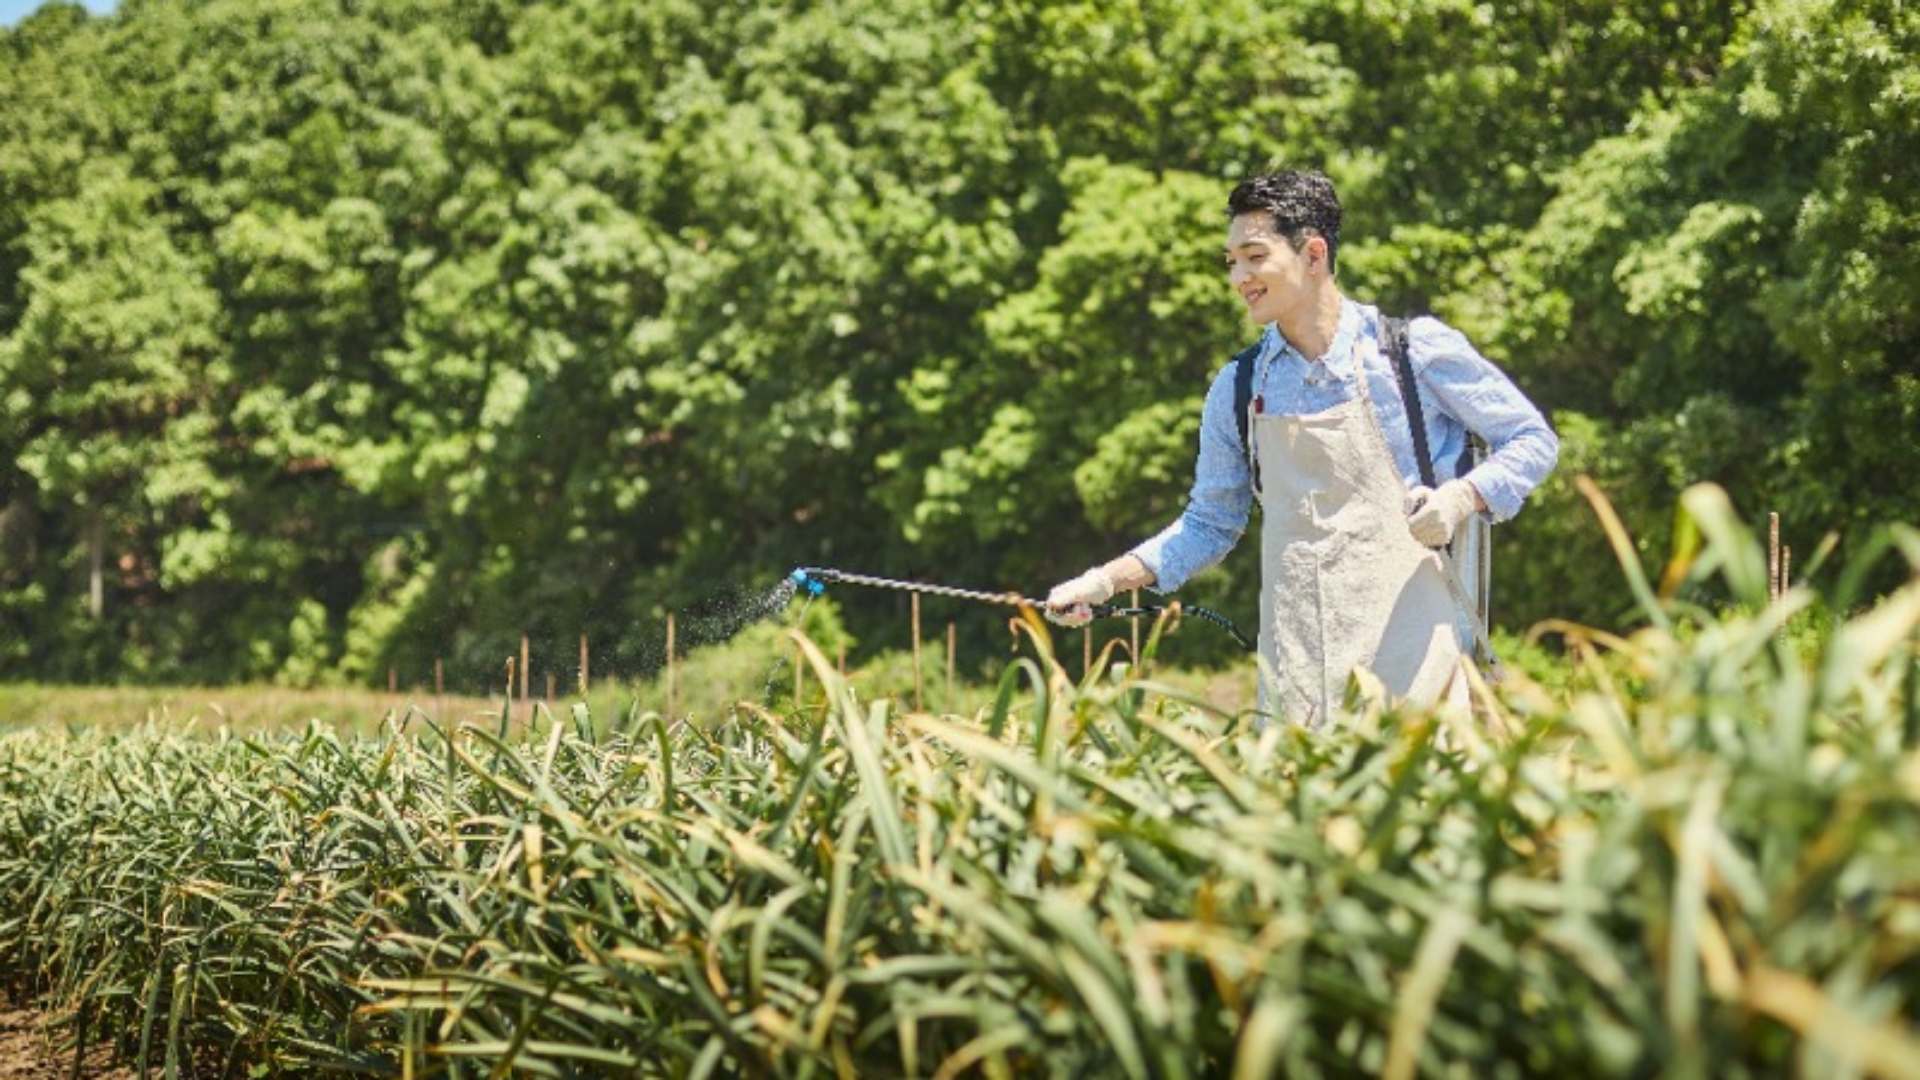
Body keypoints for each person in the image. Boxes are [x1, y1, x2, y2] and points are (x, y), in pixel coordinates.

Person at [1044, 169, 1558, 726]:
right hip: (1298, 680)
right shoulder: (1239, 387)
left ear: (1313, 254)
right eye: (1230, 262)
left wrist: (1461, 498)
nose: (1239, 277)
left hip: (1418, 674)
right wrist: (1104, 582)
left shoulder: (1411, 354)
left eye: (1254, 257)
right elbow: (1209, 523)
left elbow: (1532, 439)